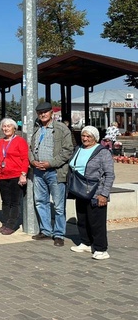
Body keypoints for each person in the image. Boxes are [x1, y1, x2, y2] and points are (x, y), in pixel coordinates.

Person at [29, 101, 74, 247]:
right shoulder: (36, 129)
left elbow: (68, 150)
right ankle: (46, 231)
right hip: (38, 172)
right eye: (40, 113)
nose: (43, 115)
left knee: (59, 206)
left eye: (45, 112)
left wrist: (51, 163)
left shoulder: (61, 129)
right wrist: (32, 161)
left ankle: (59, 234)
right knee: (41, 201)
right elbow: (30, 148)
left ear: (51, 113)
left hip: (55, 172)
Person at [69, 126, 115, 260]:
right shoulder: (78, 149)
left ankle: (101, 249)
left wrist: (104, 194)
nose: (85, 138)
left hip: (96, 192)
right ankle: (86, 242)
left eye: (88, 136)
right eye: (83, 135)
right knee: (82, 218)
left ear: (95, 138)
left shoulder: (102, 152)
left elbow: (110, 175)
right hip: (80, 190)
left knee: (97, 222)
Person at [0, 118, 29, 235]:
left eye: (8, 126)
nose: (6, 128)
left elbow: (25, 159)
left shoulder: (20, 141)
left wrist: (23, 174)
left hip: (15, 175)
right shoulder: (1, 142)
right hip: (2, 176)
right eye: (4, 126)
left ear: (14, 128)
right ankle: (5, 223)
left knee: (14, 202)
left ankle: (12, 224)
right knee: (5, 201)